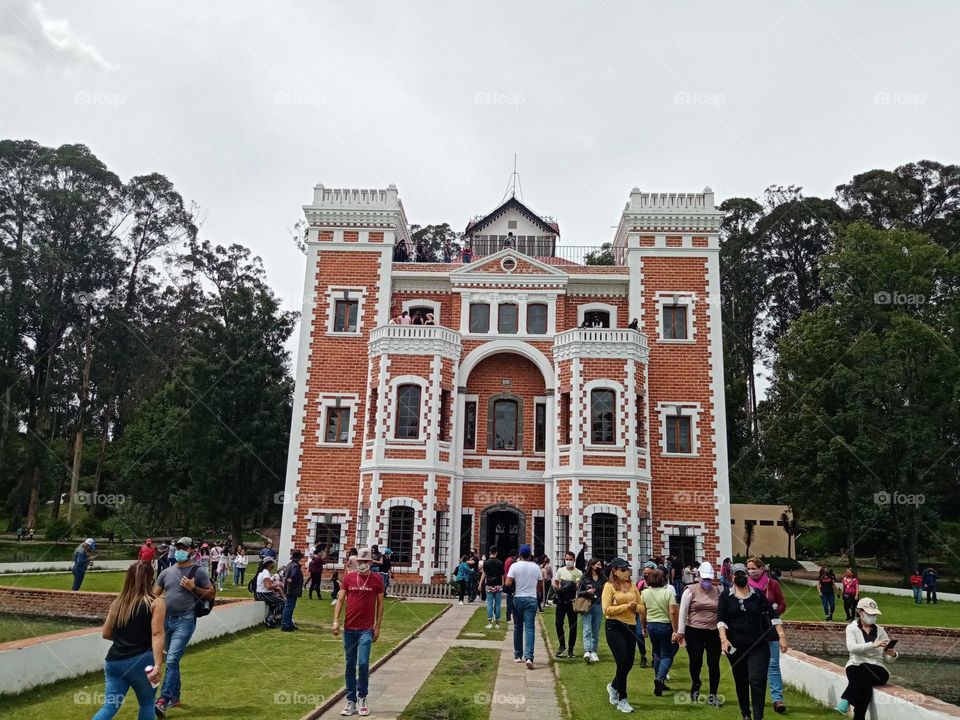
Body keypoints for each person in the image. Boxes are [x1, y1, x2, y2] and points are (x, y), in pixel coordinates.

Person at [92, 562, 166, 720]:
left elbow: (106, 633)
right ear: (151, 579)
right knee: (147, 704)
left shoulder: (118, 603)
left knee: (109, 706)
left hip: (114, 662)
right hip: (142, 660)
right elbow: (157, 633)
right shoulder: (155, 602)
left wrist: (126, 638)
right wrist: (158, 664)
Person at [717, 562, 789, 720]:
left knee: (757, 679)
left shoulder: (756, 594)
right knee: (741, 679)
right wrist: (724, 640)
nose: (740, 577)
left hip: (758, 644)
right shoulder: (725, 596)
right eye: (737, 574)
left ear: (747, 576)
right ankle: (745, 713)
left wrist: (781, 636)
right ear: (732, 576)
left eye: (743, 574)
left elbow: (773, 615)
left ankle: (758, 716)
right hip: (735, 645)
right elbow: (721, 620)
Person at [153, 537, 214, 717]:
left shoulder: (198, 571)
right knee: (173, 659)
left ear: (192, 551)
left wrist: (193, 588)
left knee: (171, 660)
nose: (180, 550)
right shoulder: (166, 572)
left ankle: (163, 699)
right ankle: (175, 697)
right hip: (166, 620)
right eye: (178, 547)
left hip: (185, 619)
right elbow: (153, 595)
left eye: (184, 548)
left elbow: (210, 594)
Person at [332, 547, 385, 717]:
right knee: (349, 664)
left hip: (366, 629)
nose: (363, 564)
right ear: (357, 562)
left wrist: (377, 626)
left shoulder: (376, 579)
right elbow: (340, 599)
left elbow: (380, 604)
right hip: (349, 628)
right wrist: (335, 620)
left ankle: (362, 696)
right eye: (360, 562)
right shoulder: (348, 578)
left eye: (366, 561)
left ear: (371, 562)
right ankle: (351, 700)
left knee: (362, 663)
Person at [835, 598, 898, 720]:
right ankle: (859, 717)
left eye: (874, 614)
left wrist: (893, 654)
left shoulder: (880, 631)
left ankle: (846, 699)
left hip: (877, 668)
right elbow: (852, 648)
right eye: (869, 614)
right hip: (855, 664)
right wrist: (872, 645)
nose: (872, 617)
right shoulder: (852, 628)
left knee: (863, 670)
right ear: (859, 612)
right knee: (864, 685)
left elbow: (888, 659)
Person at [675, 561, 722, 706]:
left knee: (714, 663)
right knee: (696, 660)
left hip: (713, 631)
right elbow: (683, 611)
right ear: (699, 576)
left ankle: (713, 694)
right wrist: (680, 631)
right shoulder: (690, 590)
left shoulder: (719, 591)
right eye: (704, 579)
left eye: (709, 579)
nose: (707, 582)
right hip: (694, 630)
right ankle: (696, 682)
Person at [748, 556, 789, 713]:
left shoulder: (772, 584)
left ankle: (777, 699)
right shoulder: (745, 585)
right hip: (752, 630)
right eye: (749, 568)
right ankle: (755, 697)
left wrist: (771, 613)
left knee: (773, 665)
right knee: (753, 666)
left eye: (754, 568)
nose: (751, 571)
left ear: (761, 569)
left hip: (770, 628)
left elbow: (782, 604)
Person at [602, 557, 643, 713]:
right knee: (622, 660)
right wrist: (625, 606)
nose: (627, 572)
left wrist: (634, 608)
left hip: (630, 626)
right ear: (615, 571)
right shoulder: (609, 586)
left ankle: (613, 686)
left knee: (629, 662)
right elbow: (606, 610)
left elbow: (641, 607)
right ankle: (622, 698)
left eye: (628, 569)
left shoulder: (632, 586)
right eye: (624, 569)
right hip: (615, 626)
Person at [640, 569, 678, 697]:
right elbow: (672, 613)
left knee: (656, 653)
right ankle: (660, 677)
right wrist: (675, 630)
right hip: (665, 625)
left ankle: (659, 681)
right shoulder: (668, 593)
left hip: (651, 625)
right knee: (667, 654)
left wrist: (644, 627)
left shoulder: (644, 593)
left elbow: (642, 613)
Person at [505, 544, 541, 669]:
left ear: (520, 554)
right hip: (531, 598)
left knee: (517, 627)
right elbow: (540, 584)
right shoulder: (536, 567)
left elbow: (508, 583)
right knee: (530, 628)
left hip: (518, 597)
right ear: (530, 555)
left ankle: (518, 655)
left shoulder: (514, 566)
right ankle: (529, 657)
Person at [553, 550, 582, 659]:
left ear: (574, 560)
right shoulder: (560, 570)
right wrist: (557, 588)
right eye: (567, 559)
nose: (568, 561)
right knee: (558, 623)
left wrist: (571, 585)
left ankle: (571, 649)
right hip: (561, 601)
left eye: (570, 559)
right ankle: (562, 646)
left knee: (572, 626)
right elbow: (555, 582)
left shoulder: (578, 572)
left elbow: (577, 585)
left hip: (572, 601)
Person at [577, 557, 605, 663]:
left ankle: (594, 651)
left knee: (596, 630)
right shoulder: (584, 578)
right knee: (587, 629)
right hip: (587, 605)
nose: (599, 567)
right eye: (597, 565)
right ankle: (587, 650)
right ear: (592, 566)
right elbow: (578, 592)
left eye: (600, 565)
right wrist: (587, 592)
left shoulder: (603, 578)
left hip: (598, 605)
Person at [254, 557, 285, 627]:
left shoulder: (263, 572)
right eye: (272, 563)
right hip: (263, 594)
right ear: (268, 565)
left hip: (261, 593)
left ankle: (274, 619)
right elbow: (268, 586)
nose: (273, 564)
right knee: (282, 602)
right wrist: (276, 584)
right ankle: (270, 618)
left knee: (277, 603)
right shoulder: (266, 573)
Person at [480, 546, 504, 629]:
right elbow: (502, 575)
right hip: (498, 585)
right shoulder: (500, 563)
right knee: (498, 605)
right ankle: (497, 623)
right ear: (497, 552)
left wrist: (480, 584)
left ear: (489, 552)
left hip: (489, 585)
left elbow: (484, 574)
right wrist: (502, 584)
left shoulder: (486, 563)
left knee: (489, 604)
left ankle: (489, 623)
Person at [282, 550, 305, 631]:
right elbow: (294, 576)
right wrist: (293, 580)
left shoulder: (289, 564)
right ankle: (285, 625)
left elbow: (284, 574)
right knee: (289, 606)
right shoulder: (295, 566)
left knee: (289, 606)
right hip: (292, 589)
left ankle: (288, 623)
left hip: (289, 589)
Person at [503, 548, 518, 624]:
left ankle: (508, 616)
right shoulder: (512, 561)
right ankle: (509, 616)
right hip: (511, 581)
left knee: (509, 599)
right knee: (510, 600)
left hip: (507, 579)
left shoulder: (507, 560)